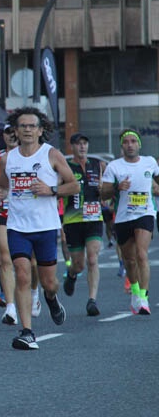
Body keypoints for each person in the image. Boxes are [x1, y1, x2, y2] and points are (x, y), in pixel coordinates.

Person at [0, 107, 77, 350]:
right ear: (16, 131)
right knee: (21, 273)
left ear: (41, 130)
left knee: (49, 283)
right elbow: (4, 186)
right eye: (23, 126)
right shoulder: (6, 159)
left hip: (45, 226)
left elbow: (73, 186)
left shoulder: (51, 154)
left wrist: (50, 190)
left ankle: (51, 299)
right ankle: (27, 332)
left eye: (32, 126)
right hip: (17, 226)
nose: (28, 130)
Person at [100, 129, 159, 315]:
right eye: (126, 142)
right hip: (123, 216)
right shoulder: (114, 167)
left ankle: (144, 297)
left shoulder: (150, 162)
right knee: (130, 260)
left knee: (142, 254)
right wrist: (118, 187)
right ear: (122, 146)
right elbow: (104, 193)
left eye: (134, 141)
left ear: (139, 144)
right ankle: (134, 290)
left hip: (145, 213)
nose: (130, 144)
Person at [61, 132, 106, 316]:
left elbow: (104, 189)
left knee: (93, 258)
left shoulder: (97, 165)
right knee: (78, 264)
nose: (82, 147)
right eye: (78, 144)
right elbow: (58, 190)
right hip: (73, 220)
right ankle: (72, 275)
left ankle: (92, 300)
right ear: (72, 146)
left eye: (85, 143)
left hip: (94, 218)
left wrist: (105, 191)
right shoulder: (65, 167)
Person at [0, 126, 20, 324]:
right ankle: (10, 307)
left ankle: (34, 293)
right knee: (5, 257)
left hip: (27, 214)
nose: (11, 135)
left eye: (14, 132)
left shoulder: (33, 155)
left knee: (31, 264)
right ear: (3, 136)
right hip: (4, 211)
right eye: (7, 132)